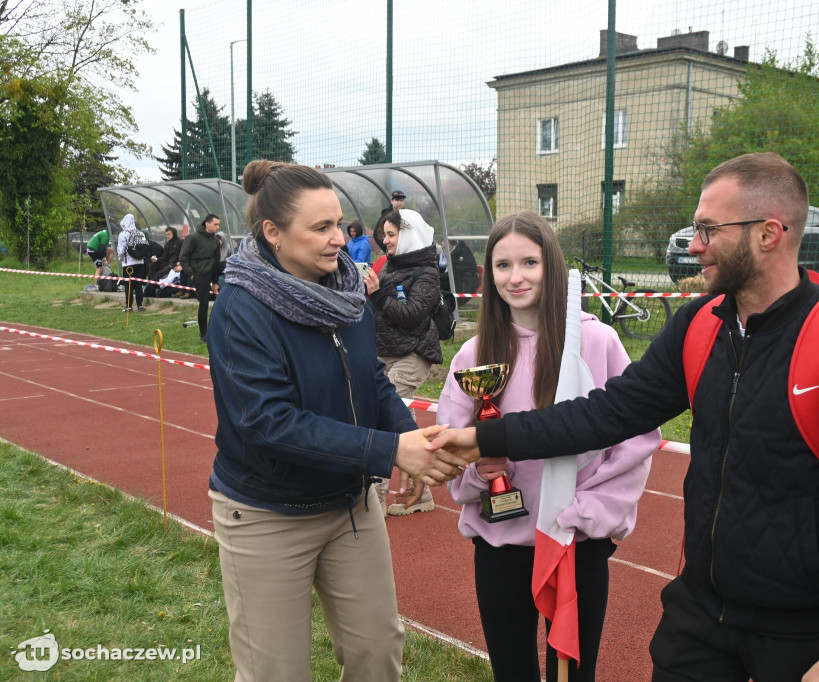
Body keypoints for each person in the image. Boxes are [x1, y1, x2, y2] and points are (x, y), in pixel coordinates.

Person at [429, 153, 819, 682]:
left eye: (709, 229)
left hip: (799, 630)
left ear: (769, 234)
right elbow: (606, 413)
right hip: (700, 615)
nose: (694, 245)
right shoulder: (698, 325)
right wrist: (485, 440)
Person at [205, 159, 466, 682]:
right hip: (267, 513)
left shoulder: (347, 291)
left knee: (378, 653)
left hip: (350, 504)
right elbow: (268, 423)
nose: (339, 240)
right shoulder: (239, 308)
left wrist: (412, 440)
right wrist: (389, 452)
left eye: (339, 224)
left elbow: (371, 378)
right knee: (276, 674)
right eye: (321, 227)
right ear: (273, 232)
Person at [441, 211, 659, 682]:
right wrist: (477, 473)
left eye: (529, 263)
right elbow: (450, 443)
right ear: (489, 274)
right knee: (512, 673)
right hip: (501, 546)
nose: (515, 278)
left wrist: (588, 512)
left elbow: (637, 439)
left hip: (575, 545)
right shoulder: (473, 356)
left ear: (552, 266)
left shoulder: (597, 341)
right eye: (502, 265)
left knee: (576, 675)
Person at [362, 208, 443, 516]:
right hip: (385, 352)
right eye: (384, 234)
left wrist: (377, 295)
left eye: (391, 234)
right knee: (401, 425)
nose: (385, 240)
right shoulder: (389, 265)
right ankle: (422, 495)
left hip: (413, 354)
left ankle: (376, 499)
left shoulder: (426, 273)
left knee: (384, 418)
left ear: (408, 235)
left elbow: (410, 315)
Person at [179, 214, 225, 343]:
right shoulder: (193, 238)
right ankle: (204, 334)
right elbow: (183, 257)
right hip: (199, 273)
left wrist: (215, 282)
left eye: (219, 224)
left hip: (212, 269)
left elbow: (217, 260)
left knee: (228, 264)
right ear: (207, 224)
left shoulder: (215, 240)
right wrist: (191, 274)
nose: (218, 227)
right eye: (215, 224)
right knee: (204, 303)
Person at [115, 213, 146, 312]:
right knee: (138, 284)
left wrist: (120, 258)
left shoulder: (123, 234)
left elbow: (121, 250)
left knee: (128, 285)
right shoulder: (141, 233)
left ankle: (129, 306)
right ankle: (140, 305)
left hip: (128, 263)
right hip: (140, 262)